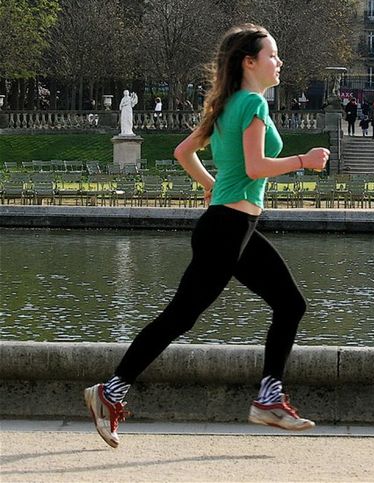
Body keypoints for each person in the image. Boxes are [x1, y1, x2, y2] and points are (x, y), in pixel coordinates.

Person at [83, 23, 330, 448]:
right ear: (249, 63)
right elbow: (255, 167)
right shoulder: (252, 103)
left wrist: (210, 184)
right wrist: (303, 161)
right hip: (228, 229)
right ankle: (112, 390)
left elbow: (184, 152)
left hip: (232, 227)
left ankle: (268, 398)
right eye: (272, 55)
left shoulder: (226, 103)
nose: (279, 62)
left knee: (287, 304)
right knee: (182, 316)